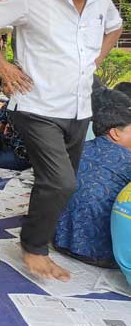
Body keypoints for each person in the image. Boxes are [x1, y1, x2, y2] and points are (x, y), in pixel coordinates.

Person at [0, 0, 123, 280]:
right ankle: (33, 246)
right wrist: (3, 66)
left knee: (55, 181)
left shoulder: (102, 2)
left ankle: (47, 235)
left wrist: (96, 60)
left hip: (78, 110)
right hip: (36, 106)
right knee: (61, 182)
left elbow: (115, 28)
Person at [54, 89, 131, 268]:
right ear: (115, 133)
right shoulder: (127, 159)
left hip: (59, 240)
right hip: (101, 252)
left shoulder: (75, 149)